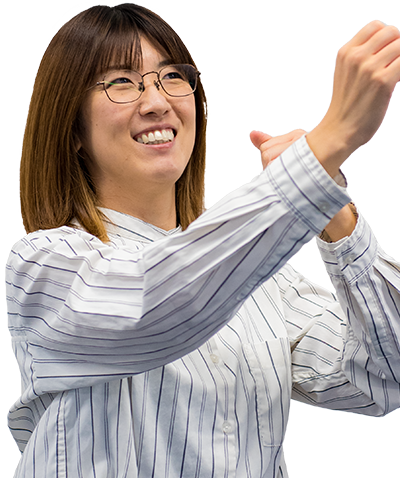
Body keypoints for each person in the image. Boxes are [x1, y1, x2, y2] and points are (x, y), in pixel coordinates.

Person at [6, 2, 400, 477]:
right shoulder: (43, 266)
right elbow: (155, 309)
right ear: (72, 129)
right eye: (122, 82)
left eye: (172, 76)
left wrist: (334, 211)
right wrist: (326, 146)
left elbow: (385, 376)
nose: (156, 102)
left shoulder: (262, 282)